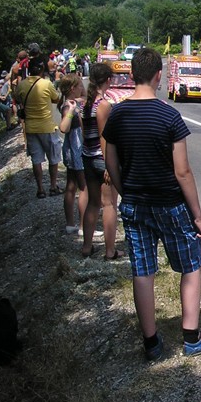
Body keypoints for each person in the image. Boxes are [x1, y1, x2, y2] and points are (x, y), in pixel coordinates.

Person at [104, 47, 201, 361]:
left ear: (132, 75)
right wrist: (198, 216)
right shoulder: (169, 115)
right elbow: (182, 171)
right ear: (159, 75)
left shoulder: (117, 114)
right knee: (190, 266)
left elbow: (111, 163)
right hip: (170, 205)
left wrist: (125, 192)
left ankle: (152, 344)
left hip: (134, 205)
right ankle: (192, 338)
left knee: (143, 272)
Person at [80, 63, 122, 260]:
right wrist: (109, 164)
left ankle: (87, 247)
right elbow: (104, 136)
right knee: (109, 204)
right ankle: (110, 251)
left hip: (87, 157)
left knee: (93, 204)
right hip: (100, 158)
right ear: (108, 80)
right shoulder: (103, 104)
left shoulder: (85, 104)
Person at [13, 54, 62, 198]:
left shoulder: (22, 85)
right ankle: (53, 186)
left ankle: (40, 189)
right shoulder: (46, 84)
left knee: (36, 160)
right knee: (53, 159)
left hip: (30, 128)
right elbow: (56, 98)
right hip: (47, 126)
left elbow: (17, 97)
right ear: (42, 69)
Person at [57, 74, 88, 234]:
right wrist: (71, 111)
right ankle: (84, 226)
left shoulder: (69, 102)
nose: (83, 87)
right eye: (80, 85)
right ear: (72, 88)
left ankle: (70, 224)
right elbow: (64, 127)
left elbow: (84, 97)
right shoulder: (68, 106)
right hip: (77, 148)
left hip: (70, 149)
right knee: (84, 187)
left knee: (71, 186)